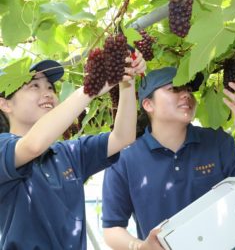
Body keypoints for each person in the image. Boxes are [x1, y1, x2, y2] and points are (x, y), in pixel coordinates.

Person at [102, 66, 235, 250]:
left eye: (189, 89)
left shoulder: (217, 141)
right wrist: (141, 247)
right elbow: (112, 228)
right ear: (148, 104)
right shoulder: (124, 159)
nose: (186, 95)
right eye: (174, 88)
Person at [0, 53, 146, 250]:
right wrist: (90, 88)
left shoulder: (69, 152)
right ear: (5, 104)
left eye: (51, 87)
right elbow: (33, 146)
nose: (48, 93)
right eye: (34, 86)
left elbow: (123, 137)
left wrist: (127, 82)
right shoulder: (3, 147)